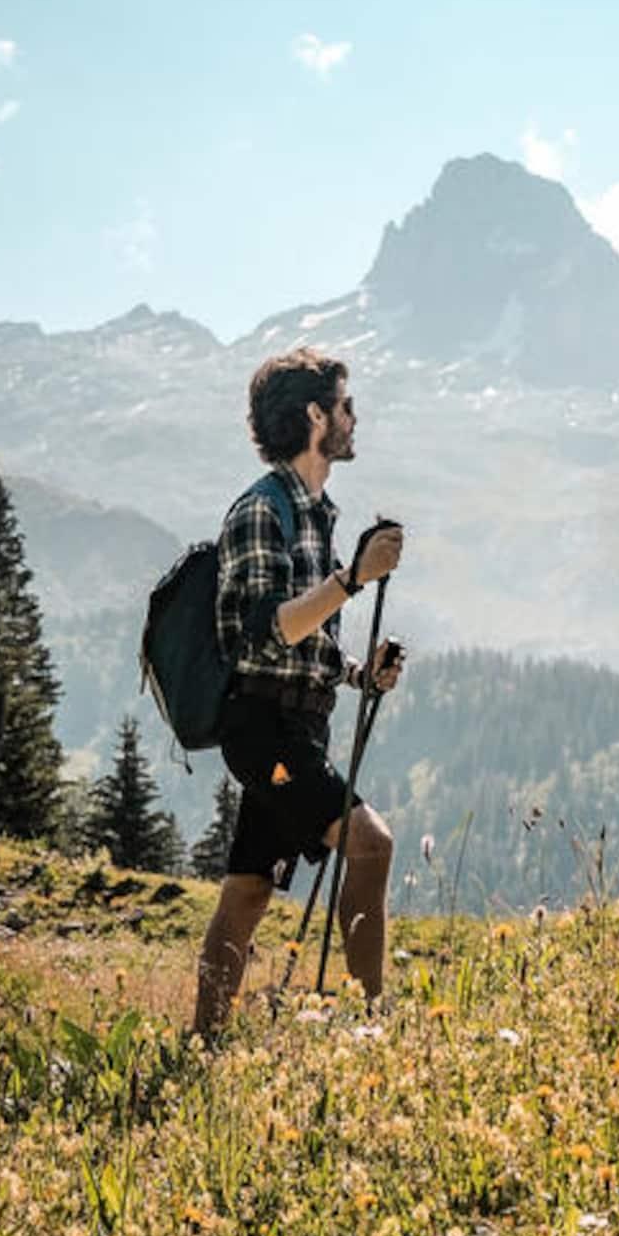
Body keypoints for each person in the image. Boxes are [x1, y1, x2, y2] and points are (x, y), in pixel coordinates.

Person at [192, 347, 405, 1035]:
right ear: (315, 416)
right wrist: (353, 579)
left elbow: (308, 638)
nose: (353, 417)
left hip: (296, 727)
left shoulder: (314, 512)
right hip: (264, 732)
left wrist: (360, 674)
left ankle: (205, 1038)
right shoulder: (262, 510)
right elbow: (268, 631)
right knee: (371, 843)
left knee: (249, 888)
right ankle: (371, 1023)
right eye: (345, 405)